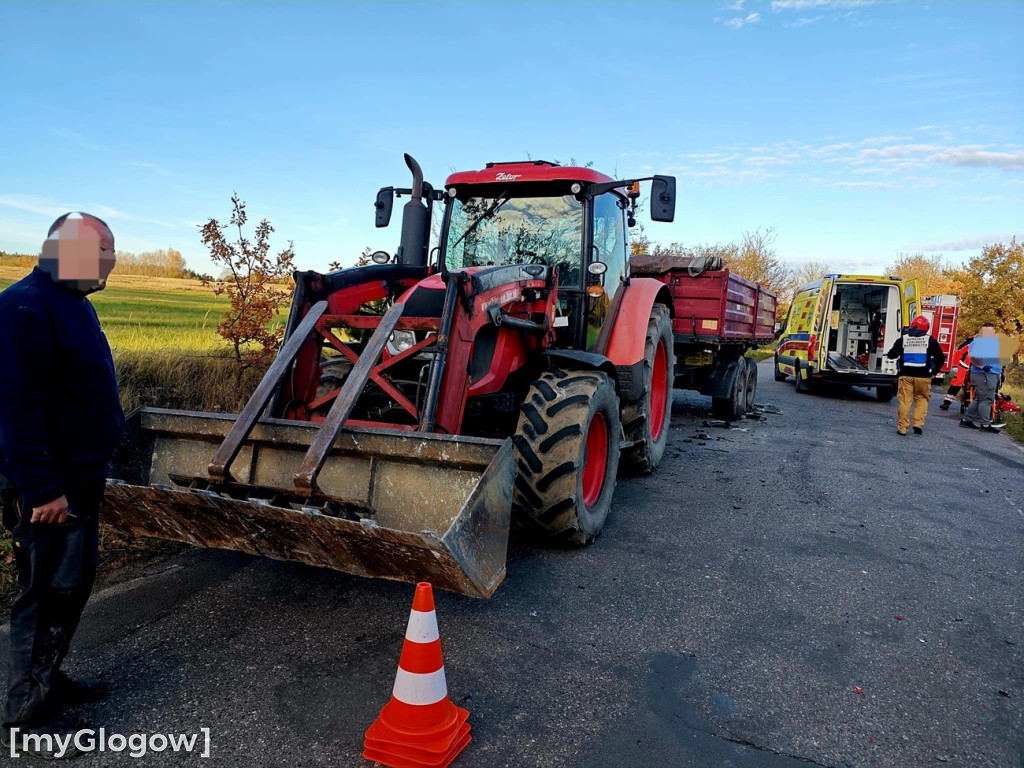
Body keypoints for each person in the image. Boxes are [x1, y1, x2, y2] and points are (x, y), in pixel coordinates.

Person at [0, 213, 123, 758]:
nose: (110, 264)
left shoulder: (73, 304)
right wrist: (43, 488)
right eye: (103, 252)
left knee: (70, 585)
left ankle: (50, 676)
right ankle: (23, 705)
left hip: (79, 481)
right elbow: (14, 412)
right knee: (42, 589)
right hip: (51, 490)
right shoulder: (24, 309)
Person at [885, 315, 946, 436]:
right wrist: (934, 372)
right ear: (926, 328)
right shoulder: (931, 340)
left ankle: (902, 428)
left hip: (905, 376)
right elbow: (940, 358)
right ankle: (918, 424)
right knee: (922, 399)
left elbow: (891, 355)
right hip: (923, 376)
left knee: (905, 401)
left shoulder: (903, 339)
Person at [961, 323, 1005, 433]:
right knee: (986, 399)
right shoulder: (977, 343)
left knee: (980, 398)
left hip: (992, 374)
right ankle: (985, 425)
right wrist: (983, 367)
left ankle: (966, 420)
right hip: (984, 374)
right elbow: (973, 358)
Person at [939, 334, 973, 410]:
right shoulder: (969, 342)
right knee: (956, 383)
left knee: (973, 386)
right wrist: (955, 365)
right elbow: (958, 353)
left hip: (976, 368)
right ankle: (946, 402)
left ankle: (971, 403)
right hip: (963, 366)